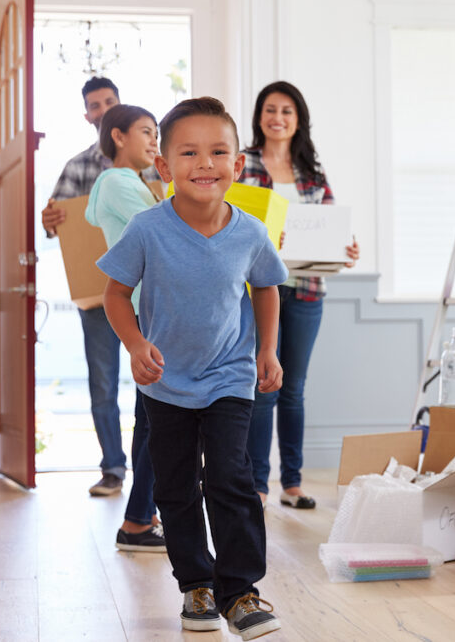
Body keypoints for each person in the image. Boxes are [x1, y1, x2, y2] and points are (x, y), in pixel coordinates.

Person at [97, 97, 287, 639]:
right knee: (176, 488)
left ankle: (241, 591)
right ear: (163, 167)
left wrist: (267, 351)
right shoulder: (146, 228)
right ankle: (196, 586)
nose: (205, 163)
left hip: (229, 376)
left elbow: (267, 287)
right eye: (189, 153)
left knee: (230, 477)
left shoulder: (250, 231)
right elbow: (115, 295)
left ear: (237, 165)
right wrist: (135, 345)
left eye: (218, 152)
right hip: (165, 383)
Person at [240, 81, 360, 510]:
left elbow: (331, 227)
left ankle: (292, 482)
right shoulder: (244, 164)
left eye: (287, 111)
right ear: (259, 117)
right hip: (260, 289)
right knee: (263, 385)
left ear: (298, 120)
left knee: (293, 389)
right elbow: (231, 216)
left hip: (308, 290)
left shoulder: (313, 172)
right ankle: (256, 483)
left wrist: (347, 249)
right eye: (270, 110)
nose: (278, 118)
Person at [40, 76, 158, 497]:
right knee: (104, 383)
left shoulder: (149, 168)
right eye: (95, 104)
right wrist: (49, 221)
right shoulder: (79, 168)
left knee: (153, 387)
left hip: (145, 297)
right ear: (88, 115)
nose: (103, 108)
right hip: (98, 293)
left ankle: (150, 480)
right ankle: (113, 467)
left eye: (110, 101)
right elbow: (60, 224)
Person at [84, 104, 164, 551]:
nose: (155, 142)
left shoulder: (124, 183)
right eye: (147, 133)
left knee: (150, 418)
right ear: (118, 137)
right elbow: (160, 226)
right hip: (146, 306)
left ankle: (142, 515)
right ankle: (137, 520)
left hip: (142, 305)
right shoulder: (117, 181)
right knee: (155, 419)